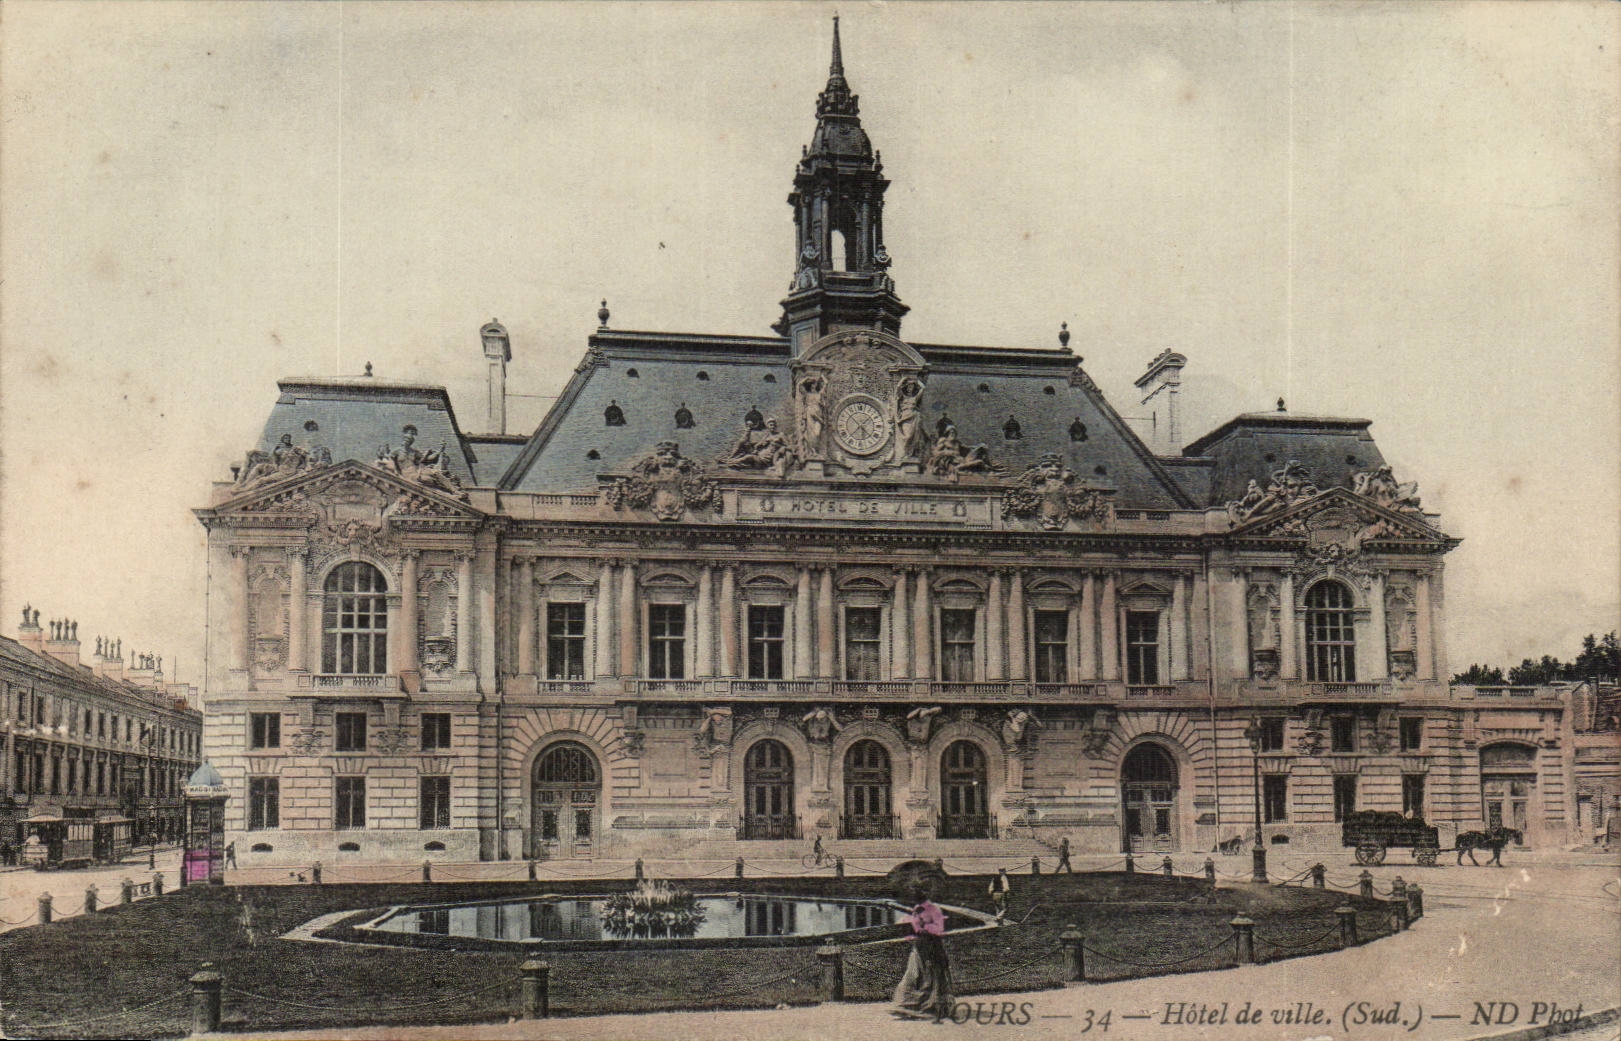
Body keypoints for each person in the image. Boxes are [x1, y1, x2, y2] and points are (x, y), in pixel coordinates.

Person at [893, 881, 953, 1022]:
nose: (915, 896)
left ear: (924, 893)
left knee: (931, 978)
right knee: (913, 974)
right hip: (919, 946)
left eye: (917, 892)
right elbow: (909, 925)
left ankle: (931, 1007)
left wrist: (924, 926)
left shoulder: (934, 909)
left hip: (932, 946)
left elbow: (940, 928)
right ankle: (907, 1005)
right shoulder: (915, 910)